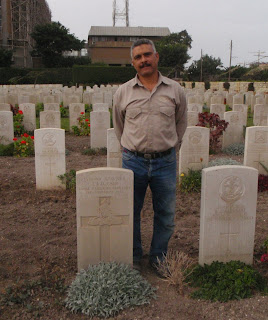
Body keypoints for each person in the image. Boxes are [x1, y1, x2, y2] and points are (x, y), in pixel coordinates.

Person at [113, 38, 187, 274]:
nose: (143, 60)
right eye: (138, 57)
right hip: (132, 161)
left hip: (165, 162)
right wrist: (131, 149)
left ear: (156, 57)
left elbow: (181, 123)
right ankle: (134, 257)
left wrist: (170, 149)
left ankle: (158, 257)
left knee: (165, 214)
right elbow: (119, 126)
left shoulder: (175, 90)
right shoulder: (123, 92)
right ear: (132, 62)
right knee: (130, 212)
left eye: (147, 55)